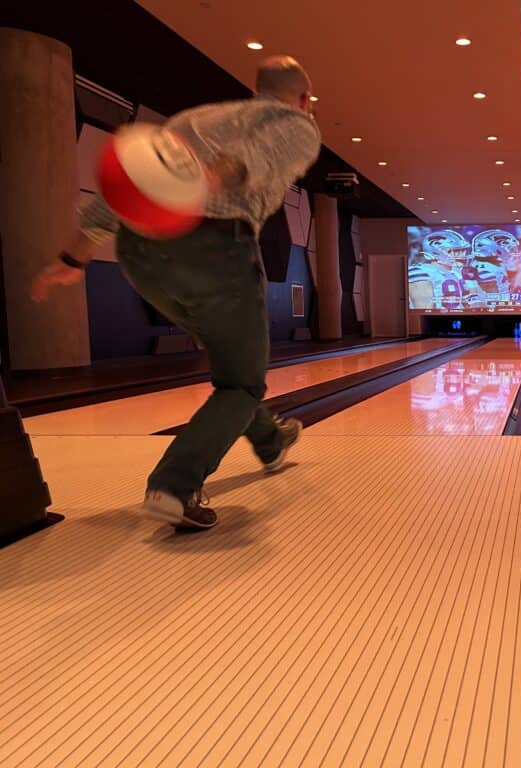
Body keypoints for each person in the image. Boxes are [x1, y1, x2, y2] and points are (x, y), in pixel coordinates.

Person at [31, 56, 323, 530]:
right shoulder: (297, 125)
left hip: (141, 255)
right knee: (243, 384)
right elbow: (257, 161)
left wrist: (74, 256)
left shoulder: (194, 118)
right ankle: (175, 485)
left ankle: (271, 440)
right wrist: (212, 178)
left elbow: (125, 188)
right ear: (305, 99)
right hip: (213, 250)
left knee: (233, 364)